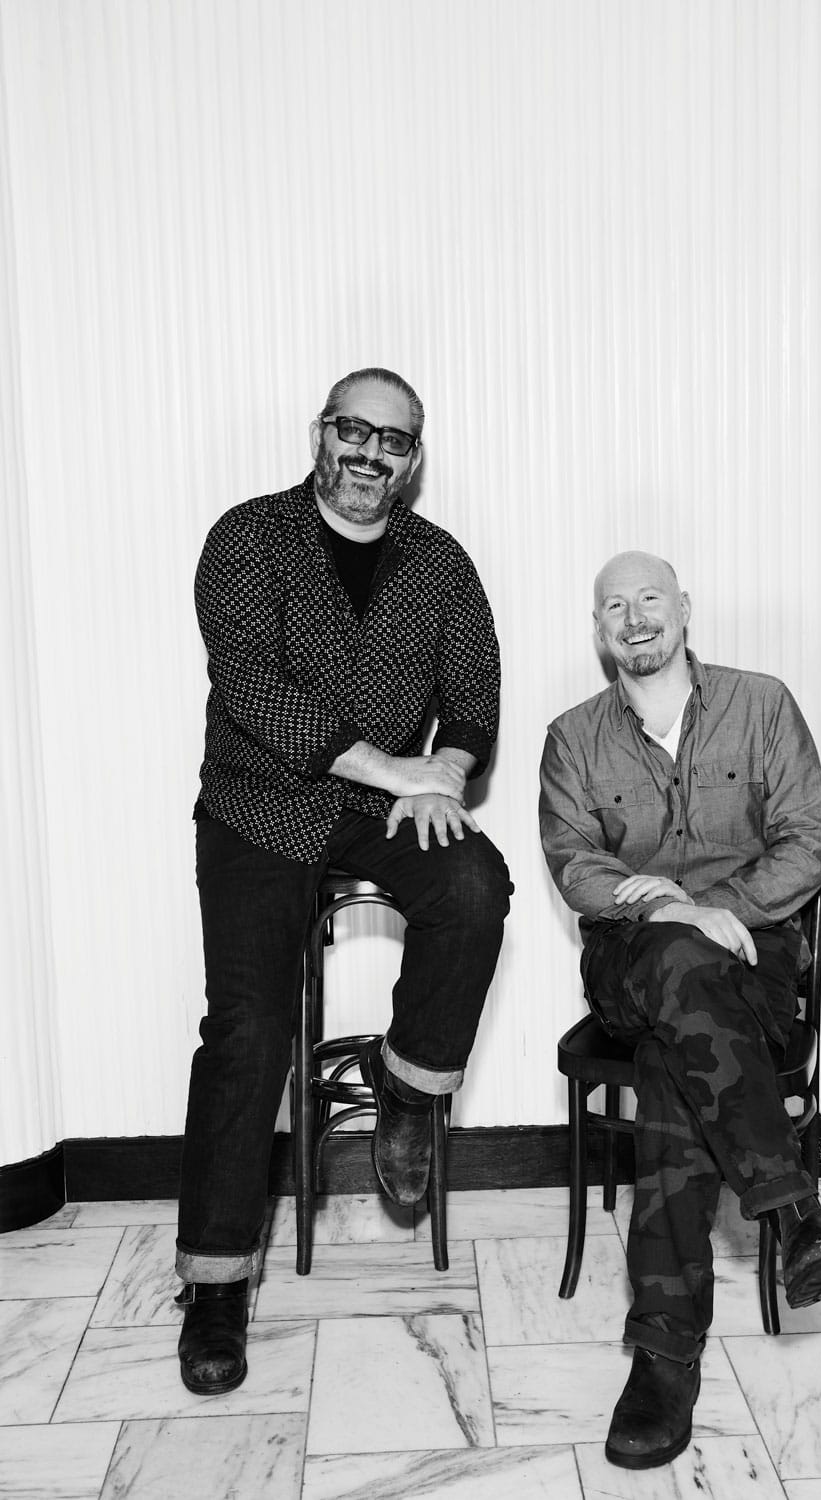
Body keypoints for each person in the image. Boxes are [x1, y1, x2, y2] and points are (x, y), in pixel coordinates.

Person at [176, 367, 512, 1395]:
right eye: (353, 431)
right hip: (256, 808)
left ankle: (411, 1094)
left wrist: (445, 771)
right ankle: (217, 1285)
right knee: (248, 1031)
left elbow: (474, 694)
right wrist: (392, 765)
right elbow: (255, 695)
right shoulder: (247, 537)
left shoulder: (439, 562)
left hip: (379, 812)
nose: (370, 453)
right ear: (321, 434)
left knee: (473, 886)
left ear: (415, 457)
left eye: (393, 440)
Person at [538, 550, 821, 1470]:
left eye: (650, 599)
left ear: (686, 608)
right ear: (598, 629)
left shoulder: (763, 705)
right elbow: (577, 868)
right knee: (678, 965)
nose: (634, 617)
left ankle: (663, 1357)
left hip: (754, 961)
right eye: (613, 606)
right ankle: (790, 1211)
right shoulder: (573, 737)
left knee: (676, 1069)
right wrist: (679, 911)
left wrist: (733, 912)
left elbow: (810, 839)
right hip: (630, 963)